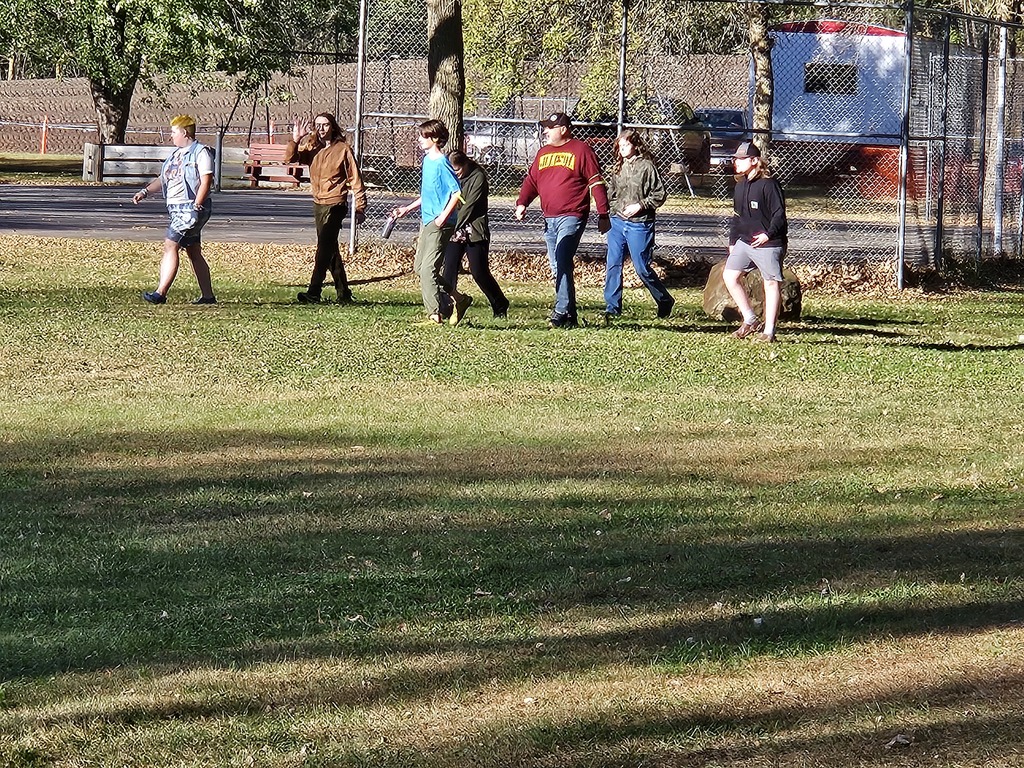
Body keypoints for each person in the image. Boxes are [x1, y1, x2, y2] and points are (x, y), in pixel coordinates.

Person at [515, 112, 611, 329]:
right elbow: (532, 180)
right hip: (549, 218)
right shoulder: (543, 153)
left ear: (564, 129)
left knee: (561, 257)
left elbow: (596, 183)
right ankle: (570, 316)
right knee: (558, 265)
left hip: (573, 214)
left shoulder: (581, 150)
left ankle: (560, 311)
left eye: (550, 127)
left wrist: (603, 213)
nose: (545, 131)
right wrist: (522, 202)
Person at [391, 119, 472, 325]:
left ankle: (435, 315)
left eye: (422, 136)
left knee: (428, 270)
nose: (419, 140)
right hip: (427, 221)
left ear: (434, 138)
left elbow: (457, 193)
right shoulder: (427, 161)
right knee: (421, 268)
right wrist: (407, 209)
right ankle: (459, 299)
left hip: (441, 224)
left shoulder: (442, 162)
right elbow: (427, 194)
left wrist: (443, 217)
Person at [133, 115, 216, 304]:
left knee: (170, 245)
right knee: (193, 251)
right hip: (177, 208)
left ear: (184, 132)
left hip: (190, 208)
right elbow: (164, 179)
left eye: (173, 132)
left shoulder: (200, 153)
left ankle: (160, 293)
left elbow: (206, 180)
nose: (171, 136)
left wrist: (197, 203)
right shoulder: (175, 155)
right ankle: (208, 296)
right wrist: (145, 192)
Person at [285, 112, 367, 304]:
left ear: (333, 127)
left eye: (325, 125)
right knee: (329, 249)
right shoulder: (313, 147)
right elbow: (290, 159)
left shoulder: (343, 149)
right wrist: (296, 140)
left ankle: (314, 291)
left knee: (323, 248)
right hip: (318, 203)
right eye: (317, 125)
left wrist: (361, 207)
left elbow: (356, 179)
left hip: (336, 204)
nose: (321, 129)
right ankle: (343, 293)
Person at [603, 129, 672, 323]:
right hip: (617, 223)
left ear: (635, 145)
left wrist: (640, 206)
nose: (623, 149)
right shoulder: (617, 168)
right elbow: (611, 195)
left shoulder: (647, 167)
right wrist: (616, 210)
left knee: (642, 267)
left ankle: (664, 299)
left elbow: (659, 195)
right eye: (620, 146)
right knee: (613, 264)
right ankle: (612, 308)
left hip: (640, 224)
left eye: (626, 145)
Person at [723, 140, 788, 342]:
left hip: (768, 243)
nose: (737, 162)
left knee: (770, 283)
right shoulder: (740, 186)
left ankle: (769, 331)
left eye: (741, 159)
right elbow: (737, 217)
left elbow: (779, 215)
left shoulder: (769, 184)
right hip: (744, 242)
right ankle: (750, 319)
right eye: (736, 159)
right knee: (730, 276)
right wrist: (733, 240)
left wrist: (767, 234)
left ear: (754, 160)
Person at [442, 150, 509, 319]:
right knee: (449, 269)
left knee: (479, 271)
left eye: (457, 170)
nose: (455, 174)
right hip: (454, 230)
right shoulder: (448, 175)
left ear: (465, 164)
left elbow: (468, 207)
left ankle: (499, 303)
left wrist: (450, 225)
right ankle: (446, 308)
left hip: (473, 229)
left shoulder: (477, 177)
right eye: (452, 170)